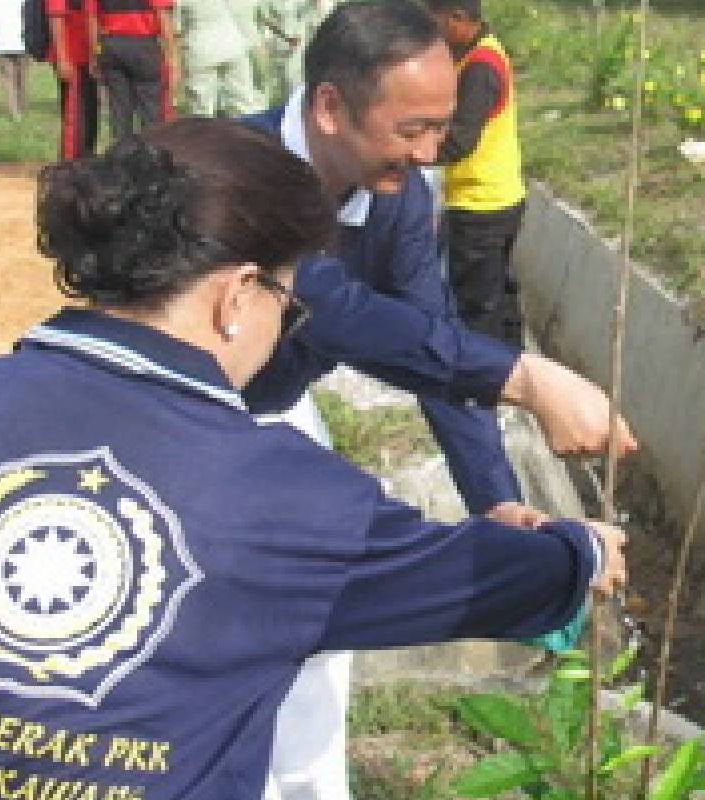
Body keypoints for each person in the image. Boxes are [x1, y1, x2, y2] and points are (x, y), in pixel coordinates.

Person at [0, 117, 627, 800]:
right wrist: (581, 550)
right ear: (237, 298)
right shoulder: (292, 498)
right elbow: (482, 577)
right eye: (287, 306)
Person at [240, 3, 635, 798]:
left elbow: (429, 340)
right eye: (412, 130)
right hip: (174, 419)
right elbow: (331, 305)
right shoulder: (235, 166)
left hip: (272, 411)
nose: (427, 155)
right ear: (328, 106)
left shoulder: (396, 198)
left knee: (315, 650)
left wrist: (496, 501)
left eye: (440, 132)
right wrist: (525, 377)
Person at [429, 0, 527, 348]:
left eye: (434, 19)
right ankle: (516, 366)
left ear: (458, 17)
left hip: (480, 203)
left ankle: (481, 387)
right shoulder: (481, 52)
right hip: (501, 196)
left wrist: (410, 152)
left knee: (476, 305)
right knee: (498, 291)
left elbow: (460, 140)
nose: (432, 29)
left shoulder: (480, 67)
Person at [85, 0, 178, 143]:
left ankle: (121, 157)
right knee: (150, 110)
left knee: (119, 110)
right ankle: (150, 155)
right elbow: (163, 17)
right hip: (143, 45)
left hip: (111, 45)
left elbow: (91, 19)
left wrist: (94, 56)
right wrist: (172, 58)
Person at [176, 0, 258, 117]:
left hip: (201, 48)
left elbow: (177, 27)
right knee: (242, 98)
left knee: (201, 105)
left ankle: (205, 132)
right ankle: (248, 130)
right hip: (232, 44)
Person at [48, 0, 99, 159]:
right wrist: (63, 58)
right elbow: (55, 16)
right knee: (75, 118)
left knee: (89, 113)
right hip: (72, 57)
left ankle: (86, 159)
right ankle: (70, 166)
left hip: (86, 57)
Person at [0, 0, 28, 118]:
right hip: (18, 39)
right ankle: (19, 108)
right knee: (20, 77)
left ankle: (15, 111)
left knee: (10, 78)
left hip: (3, 41)